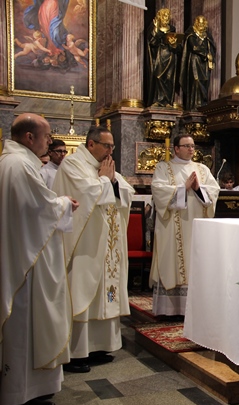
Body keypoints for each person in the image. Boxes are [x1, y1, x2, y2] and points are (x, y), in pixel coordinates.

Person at [0, 113, 77, 405]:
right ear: (29, 137)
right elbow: (40, 208)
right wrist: (65, 203)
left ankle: (24, 389)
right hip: (25, 263)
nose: (49, 142)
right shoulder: (19, 165)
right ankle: (19, 394)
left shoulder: (11, 161)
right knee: (24, 323)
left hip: (18, 252)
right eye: (46, 136)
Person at [52, 126, 134, 373]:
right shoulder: (72, 164)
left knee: (105, 294)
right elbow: (86, 194)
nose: (111, 151)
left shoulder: (106, 166)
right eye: (107, 145)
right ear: (91, 144)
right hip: (85, 244)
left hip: (107, 245)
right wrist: (105, 180)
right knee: (83, 291)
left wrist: (111, 181)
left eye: (113, 146)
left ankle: (100, 346)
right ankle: (77, 352)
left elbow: (126, 192)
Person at [150, 134, 220, 316]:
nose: (191, 149)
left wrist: (197, 189)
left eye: (193, 146)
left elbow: (214, 191)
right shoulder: (164, 168)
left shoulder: (202, 169)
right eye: (187, 146)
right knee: (172, 262)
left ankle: (196, 307)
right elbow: (158, 190)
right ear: (176, 149)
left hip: (197, 224)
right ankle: (171, 309)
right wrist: (183, 188)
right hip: (172, 228)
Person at [180, 15, 216, 111]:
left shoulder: (207, 36)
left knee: (205, 81)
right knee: (196, 81)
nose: (201, 25)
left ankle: (202, 104)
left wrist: (211, 58)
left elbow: (212, 49)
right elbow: (194, 47)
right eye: (199, 23)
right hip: (194, 62)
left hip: (204, 64)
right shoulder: (191, 34)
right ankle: (194, 105)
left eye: (203, 23)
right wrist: (205, 54)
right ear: (196, 23)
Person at [146, 8, 179, 108]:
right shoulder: (154, 28)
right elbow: (152, 42)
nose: (166, 19)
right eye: (164, 17)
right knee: (158, 76)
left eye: (167, 17)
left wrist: (174, 44)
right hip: (159, 55)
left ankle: (167, 101)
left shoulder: (172, 29)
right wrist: (156, 30)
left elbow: (178, 47)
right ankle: (157, 100)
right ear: (159, 18)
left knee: (169, 78)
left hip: (170, 56)